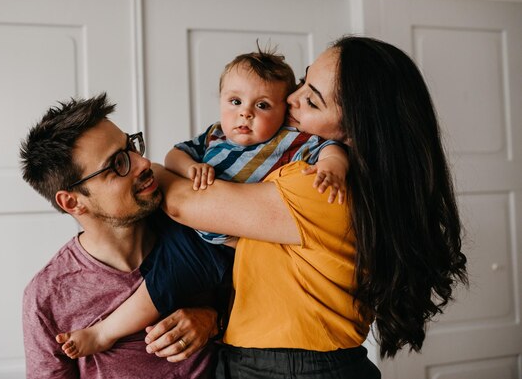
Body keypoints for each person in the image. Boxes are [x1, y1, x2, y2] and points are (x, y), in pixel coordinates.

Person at [150, 36, 468, 379]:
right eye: (303, 81)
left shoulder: (320, 187)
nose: (290, 98)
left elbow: (183, 204)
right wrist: (212, 317)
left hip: (292, 369)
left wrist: (141, 168)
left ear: (353, 132)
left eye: (312, 102)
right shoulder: (365, 186)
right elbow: (274, 279)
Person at [55, 46, 349, 359]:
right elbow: (173, 155)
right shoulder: (214, 135)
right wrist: (188, 167)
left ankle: (104, 332)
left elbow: (330, 149)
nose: (245, 113)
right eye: (235, 101)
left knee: (164, 282)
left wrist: (333, 167)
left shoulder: (291, 140)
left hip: (217, 246)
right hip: (190, 231)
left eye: (262, 105)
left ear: (282, 110)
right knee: (155, 263)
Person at [20, 94, 233, 378]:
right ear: (72, 202)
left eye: (130, 146)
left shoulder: (195, 227)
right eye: (118, 163)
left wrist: (212, 321)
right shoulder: (48, 296)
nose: (143, 162)